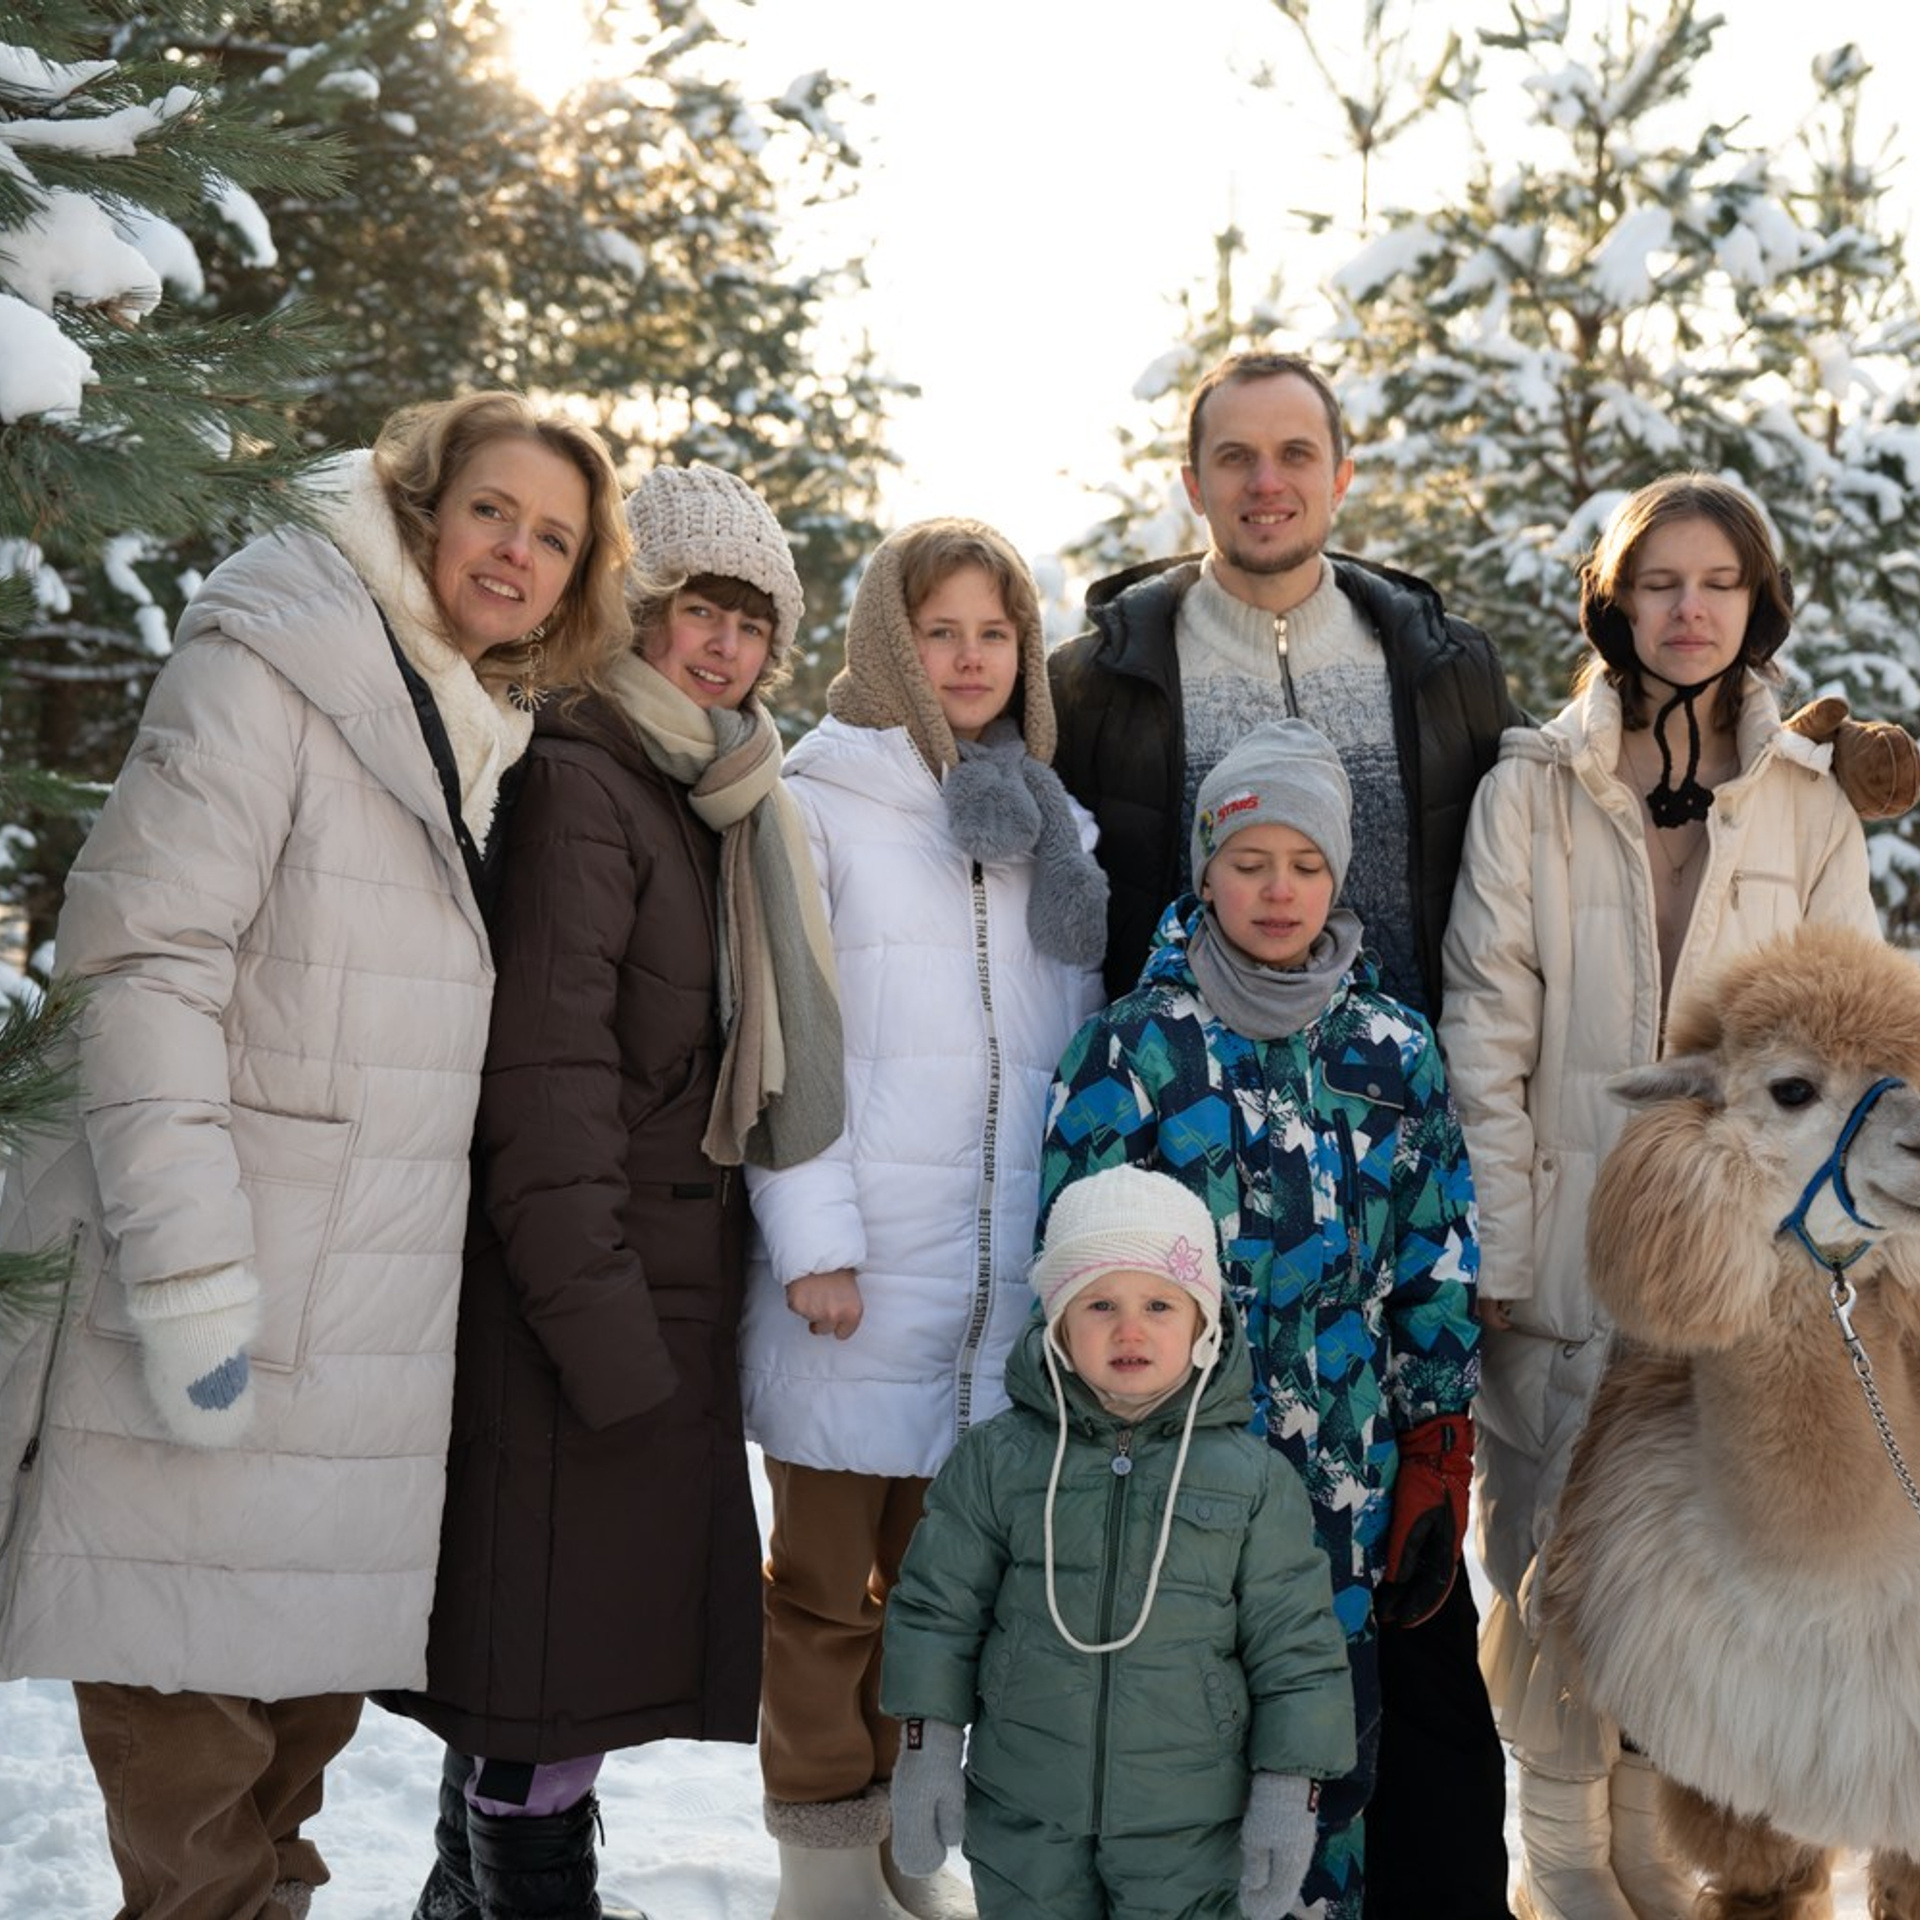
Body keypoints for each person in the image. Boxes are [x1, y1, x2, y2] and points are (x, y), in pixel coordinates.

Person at [0, 392, 630, 1920]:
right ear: (421, 504)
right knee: (194, 1798)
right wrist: (193, 1271)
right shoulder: (277, 662)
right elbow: (143, 966)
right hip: (212, 1312)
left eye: (554, 538)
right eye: (494, 510)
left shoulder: (476, 726)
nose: (518, 552)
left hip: (358, 1356)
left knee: (284, 1793)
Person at [1047, 351, 1518, 1919]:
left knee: (1406, 1687)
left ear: (1341, 472)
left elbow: (1560, 800)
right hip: (1194, 1212)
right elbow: (950, 730)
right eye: (1234, 457)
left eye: (1296, 453)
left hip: (1375, 1229)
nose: (1267, 483)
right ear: (1192, 482)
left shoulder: (1437, 666)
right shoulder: (1103, 669)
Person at [376, 462, 843, 1919]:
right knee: (547, 1697)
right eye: (695, 613)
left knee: (545, 1685)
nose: (725, 649)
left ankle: (470, 1900)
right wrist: (605, 1340)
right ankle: (519, 1902)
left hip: (645, 1309)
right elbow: (546, 1087)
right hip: (581, 1319)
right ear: (633, 614)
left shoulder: (700, 794)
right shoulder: (588, 782)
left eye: (752, 626)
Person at [1439, 474, 1884, 1920]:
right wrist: (1500, 1242)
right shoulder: (1532, 788)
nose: (1688, 611)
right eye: (1661, 583)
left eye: (1718, 585)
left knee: (1680, 1579)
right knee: (1539, 1562)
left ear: (1757, 609)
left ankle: (1645, 1844)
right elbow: (1484, 1030)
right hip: (1564, 1249)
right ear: (1616, 602)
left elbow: (1858, 1043)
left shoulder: (1809, 809)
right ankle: (1559, 1859)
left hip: (1740, 1284)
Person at [1040, 719, 1482, 1920]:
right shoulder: (1134, 1049)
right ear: (1205, 871)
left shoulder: (1393, 1049)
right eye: (1249, 862)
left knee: (1321, 1761)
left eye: (1304, 862)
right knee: (1173, 1762)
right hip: (1172, 1477)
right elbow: (1074, 1268)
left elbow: (1437, 1255)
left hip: (1347, 1487)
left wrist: (1438, 1439)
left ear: (1339, 877)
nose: (1277, 889)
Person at [740, 517, 1107, 1920]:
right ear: (892, 644)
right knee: (826, 1596)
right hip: (856, 1280)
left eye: (995, 633)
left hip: (997, 1293)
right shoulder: (818, 800)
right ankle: (822, 1874)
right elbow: (786, 1035)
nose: (969, 657)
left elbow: (1064, 1065)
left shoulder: (1054, 832)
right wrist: (814, 1241)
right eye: (940, 630)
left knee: (950, 1604)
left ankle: (912, 1850)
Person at [879, 1163, 1357, 1920]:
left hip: (1192, 1823)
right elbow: (936, 1612)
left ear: (1205, 1327)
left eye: (1161, 1304)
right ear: (1059, 1325)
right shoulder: (997, 1460)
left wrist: (1287, 1787)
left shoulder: (1254, 1481)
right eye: (1099, 1303)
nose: (1130, 1329)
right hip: (1023, 1812)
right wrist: (926, 1744)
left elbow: (1297, 1648)